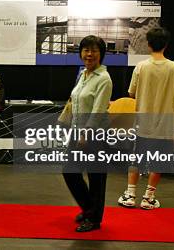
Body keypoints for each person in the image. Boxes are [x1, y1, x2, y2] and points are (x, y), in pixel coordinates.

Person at [117, 27, 174, 210]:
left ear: (148, 44)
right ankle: (148, 197)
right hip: (165, 125)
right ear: (166, 45)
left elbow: (131, 93)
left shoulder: (141, 66)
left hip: (143, 124)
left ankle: (130, 194)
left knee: (136, 159)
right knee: (159, 161)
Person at [62, 36, 112, 232]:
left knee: (96, 178)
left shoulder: (104, 79)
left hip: (94, 135)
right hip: (77, 131)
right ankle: (89, 208)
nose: (89, 54)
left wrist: (86, 134)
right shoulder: (83, 74)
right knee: (69, 171)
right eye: (85, 50)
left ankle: (94, 219)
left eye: (94, 51)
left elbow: (98, 111)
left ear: (101, 54)